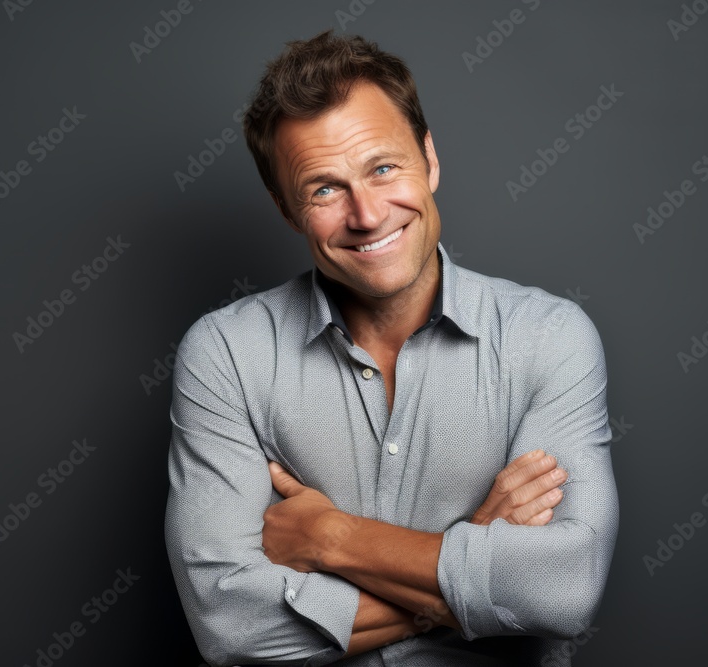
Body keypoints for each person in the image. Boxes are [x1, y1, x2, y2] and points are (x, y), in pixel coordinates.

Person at [164, 29, 618, 666]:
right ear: (286, 209)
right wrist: (476, 554)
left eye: (383, 168)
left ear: (429, 158)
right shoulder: (225, 354)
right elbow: (230, 626)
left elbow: (562, 592)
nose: (368, 214)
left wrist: (332, 538)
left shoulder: (549, 336)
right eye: (324, 188)